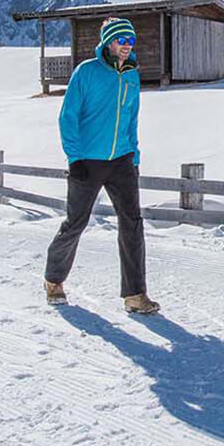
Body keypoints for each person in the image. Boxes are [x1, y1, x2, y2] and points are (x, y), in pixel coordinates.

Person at [43, 17, 160, 315]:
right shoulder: (87, 72)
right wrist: (74, 157)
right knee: (76, 222)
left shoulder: (132, 76)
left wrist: (134, 155)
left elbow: (132, 118)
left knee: (132, 224)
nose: (127, 47)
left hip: (122, 161)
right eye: (122, 41)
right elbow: (68, 117)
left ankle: (135, 295)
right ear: (108, 42)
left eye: (131, 42)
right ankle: (54, 280)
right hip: (88, 161)